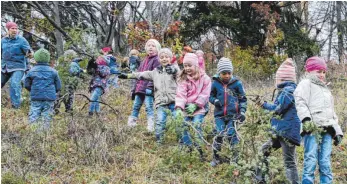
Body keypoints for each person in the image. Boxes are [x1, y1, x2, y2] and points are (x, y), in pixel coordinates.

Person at [294, 56, 343, 184]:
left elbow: (331, 113)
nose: (321, 75)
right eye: (318, 71)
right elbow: (300, 102)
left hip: (327, 129)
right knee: (310, 160)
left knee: (325, 162)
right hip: (312, 128)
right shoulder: (306, 84)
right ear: (310, 71)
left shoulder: (326, 89)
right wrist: (306, 120)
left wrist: (337, 131)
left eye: (323, 72)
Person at [252, 58, 300, 183]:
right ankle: (260, 179)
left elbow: (278, 109)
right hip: (279, 132)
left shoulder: (289, 91)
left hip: (287, 133)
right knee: (263, 151)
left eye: (277, 78)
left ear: (283, 79)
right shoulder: (284, 91)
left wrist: (263, 104)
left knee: (289, 163)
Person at [119, 48, 180, 143]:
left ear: (170, 58)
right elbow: (141, 74)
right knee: (160, 121)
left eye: (166, 57)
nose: (164, 59)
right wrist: (128, 76)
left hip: (174, 101)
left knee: (179, 121)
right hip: (161, 102)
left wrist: (173, 69)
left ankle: (182, 141)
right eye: (162, 57)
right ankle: (159, 142)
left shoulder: (173, 69)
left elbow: (178, 71)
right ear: (159, 59)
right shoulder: (155, 72)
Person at [209, 57, 247, 167]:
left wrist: (242, 112)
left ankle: (235, 158)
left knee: (231, 134)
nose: (226, 76)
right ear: (219, 73)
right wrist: (215, 101)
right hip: (219, 116)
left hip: (233, 115)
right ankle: (216, 158)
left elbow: (243, 99)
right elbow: (210, 96)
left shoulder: (237, 84)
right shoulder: (215, 83)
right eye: (224, 73)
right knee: (219, 134)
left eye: (229, 73)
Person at [175, 53, 211, 161]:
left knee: (196, 125)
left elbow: (205, 94)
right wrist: (179, 108)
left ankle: (199, 149)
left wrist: (196, 105)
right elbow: (180, 94)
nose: (187, 68)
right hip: (186, 107)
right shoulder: (184, 79)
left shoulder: (205, 79)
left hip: (199, 108)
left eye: (189, 65)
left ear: (196, 65)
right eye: (185, 66)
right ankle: (188, 146)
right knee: (181, 125)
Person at [126, 39, 161, 132]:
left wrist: (151, 87)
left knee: (149, 107)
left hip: (149, 89)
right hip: (140, 88)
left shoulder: (157, 60)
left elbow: (155, 75)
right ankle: (131, 124)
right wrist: (135, 88)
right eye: (149, 45)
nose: (150, 47)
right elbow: (138, 74)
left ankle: (151, 126)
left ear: (157, 48)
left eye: (153, 46)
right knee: (136, 106)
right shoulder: (144, 60)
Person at [24, 48, 61, 130]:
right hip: (49, 98)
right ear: (47, 59)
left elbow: (26, 84)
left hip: (36, 97)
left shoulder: (31, 71)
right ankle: (44, 134)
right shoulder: (54, 71)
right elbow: (58, 87)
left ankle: (33, 133)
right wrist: (52, 92)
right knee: (47, 115)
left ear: (36, 59)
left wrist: (32, 90)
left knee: (34, 113)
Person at [2, 21, 32, 109]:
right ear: (8, 30)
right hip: (5, 66)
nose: (15, 30)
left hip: (18, 67)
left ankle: (16, 107)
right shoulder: (3, 41)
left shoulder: (22, 40)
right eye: (12, 28)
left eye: (16, 28)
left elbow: (29, 52)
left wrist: (29, 53)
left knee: (14, 84)